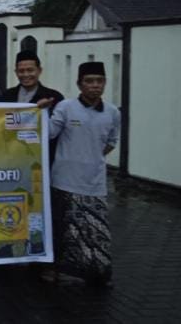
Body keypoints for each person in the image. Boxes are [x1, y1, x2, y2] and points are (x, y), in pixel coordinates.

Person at [46, 61, 120, 287]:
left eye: (99, 81)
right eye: (89, 81)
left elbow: (111, 142)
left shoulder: (112, 112)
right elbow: (49, 133)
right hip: (64, 181)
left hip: (94, 183)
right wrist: (38, 112)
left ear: (105, 83)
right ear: (79, 84)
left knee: (96, 231)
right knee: (65, 230)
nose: (95, 85)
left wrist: (91, 157)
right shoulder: (65, 107)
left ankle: (98, 273)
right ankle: (63, 271)